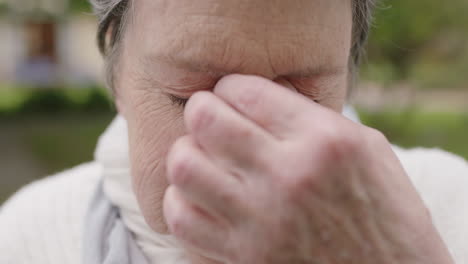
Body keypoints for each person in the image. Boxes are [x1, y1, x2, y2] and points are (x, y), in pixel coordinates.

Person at [1, 0, 467, 263]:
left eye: (302, 95)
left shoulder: (453, 206)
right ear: (116, 68)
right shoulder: (27, 237)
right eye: (188, 97)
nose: (245, 144)